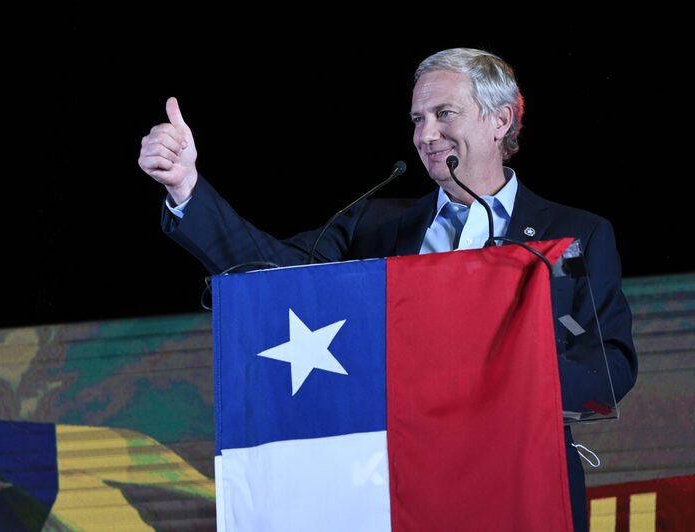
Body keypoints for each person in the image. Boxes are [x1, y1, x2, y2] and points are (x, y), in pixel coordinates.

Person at [138, 47, 638, 531]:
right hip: (396, 488)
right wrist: (187, 188)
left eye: (444, 114)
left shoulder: (572, 236)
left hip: (518, 485)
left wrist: (500, 383)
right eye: (418, 119)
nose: (427, 134)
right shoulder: (373, 225)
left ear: (500, 120)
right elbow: (275, 275)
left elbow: (608, 369)